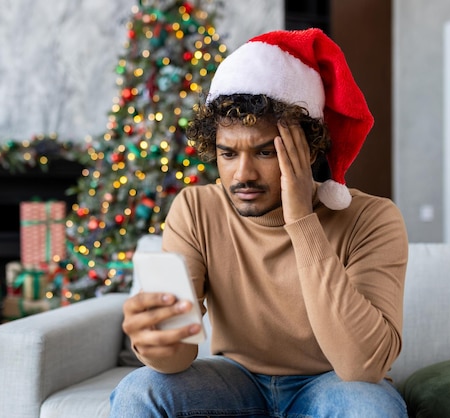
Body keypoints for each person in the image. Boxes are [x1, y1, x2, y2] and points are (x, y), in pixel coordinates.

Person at [109, 28, 409, 417]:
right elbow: (178, 358)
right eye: (228, 153)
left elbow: (361, 367)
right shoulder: (197, 209)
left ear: (310, 148)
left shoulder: (373, 218)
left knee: (373, 410)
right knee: (139, 391)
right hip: (236, 382)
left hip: (332, 383)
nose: (242, 175)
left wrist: (301, 218)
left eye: (266, 151)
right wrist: (156, 342)